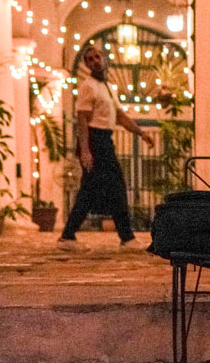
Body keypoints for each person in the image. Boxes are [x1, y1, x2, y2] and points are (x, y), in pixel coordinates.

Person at [59, 45, 155, 246]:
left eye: (97, 57)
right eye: (90, 59)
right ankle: (126, 238)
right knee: (114, 188)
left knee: (93, 190)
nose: (95, 61)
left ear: (103, 58)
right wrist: (85, 151)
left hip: (105, 140)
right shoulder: (88, 86)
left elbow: (120, 116)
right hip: (95, 141)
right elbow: (83, 120)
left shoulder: (108, 87)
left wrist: (141, 133)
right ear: (87, 64)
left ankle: (68, 235)